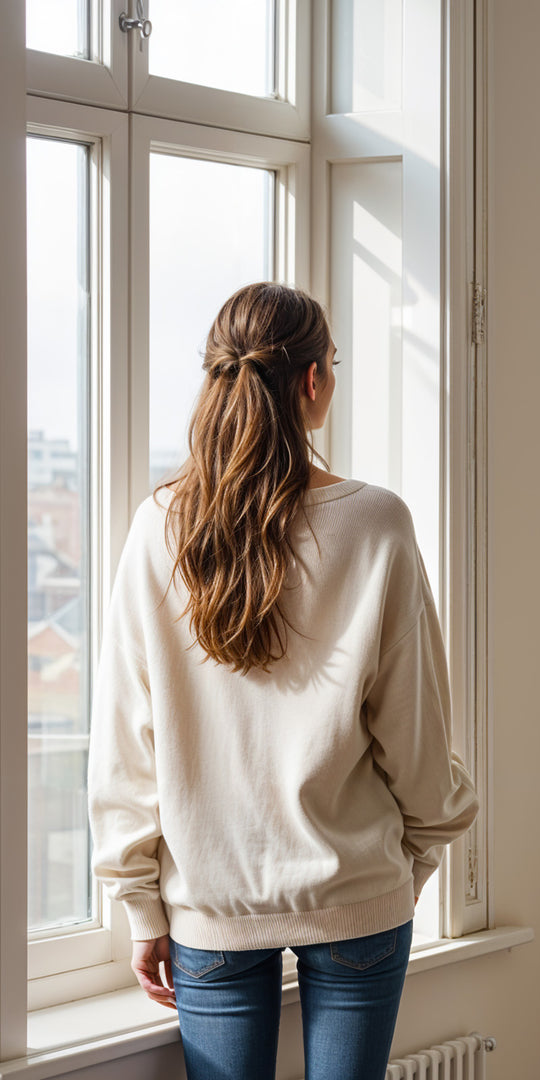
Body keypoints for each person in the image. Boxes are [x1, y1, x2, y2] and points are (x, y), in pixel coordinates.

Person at [88, 282, 479, 1080]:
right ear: (311, 381)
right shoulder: (375, 523)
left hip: (209, 905)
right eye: (332, 364)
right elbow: (415, 725)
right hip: (359, 891)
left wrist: (140, 905)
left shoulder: (158, 525)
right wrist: (421, 853)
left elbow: (126, 733)